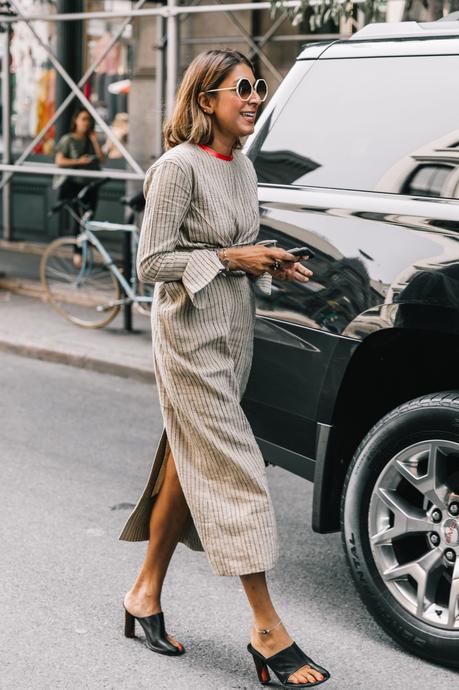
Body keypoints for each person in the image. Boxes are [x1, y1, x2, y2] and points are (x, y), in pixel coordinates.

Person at [119, 49, 330, 688]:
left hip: (232, 334)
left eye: (257, 87)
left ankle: (143, 593)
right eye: (241, 88)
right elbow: (150, 263)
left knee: (191, 463)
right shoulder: (177, 168)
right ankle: (267, 629)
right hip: (187, 338)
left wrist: (268, 259)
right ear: (205, 99)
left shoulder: (240, 166)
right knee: (236, 469)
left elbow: (235, 246)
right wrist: (233, 257)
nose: (254, 97)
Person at [53, 108, 105, 267]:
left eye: (88, 120)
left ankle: (84, 252)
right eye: (83, 119)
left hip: (90, 185)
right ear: (75, 120)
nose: (86, 123)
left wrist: (95, 141)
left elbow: (102, 160)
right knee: (79, 220)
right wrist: (79, 162)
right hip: (74, 185)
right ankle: (77, 254)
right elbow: (59, 161)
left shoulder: (91, 140)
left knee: (88, 220)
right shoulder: (68, 139)